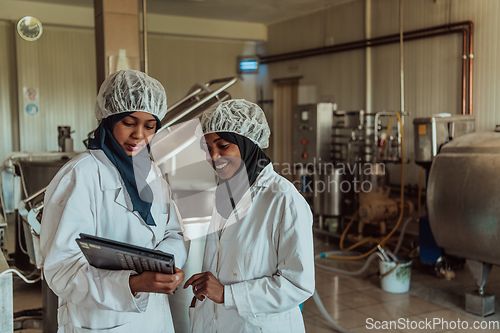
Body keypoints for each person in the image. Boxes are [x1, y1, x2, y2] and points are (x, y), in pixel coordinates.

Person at [40, 70, 188, 333]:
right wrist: (132, 284)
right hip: (100, 321)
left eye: (149, 126)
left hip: (154, 320)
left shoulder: (152, 174)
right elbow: (62, 270)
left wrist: (169, 266)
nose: (139, 135)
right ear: (109, 120)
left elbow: (173, 232)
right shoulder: (80, 175)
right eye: (129, 123)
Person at [184, 99, 314, 333]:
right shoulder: (224, 193)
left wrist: (227, 295)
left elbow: (298, 285)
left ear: (247, 143)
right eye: (208, 148)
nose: (214, 157)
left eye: (223, 146)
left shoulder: (283, 199)